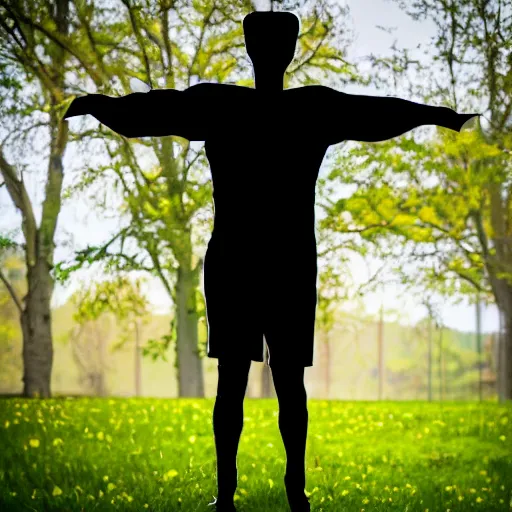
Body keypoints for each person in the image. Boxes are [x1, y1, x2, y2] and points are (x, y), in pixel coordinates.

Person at [64, 10, 479, 512]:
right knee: (277, 383)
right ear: (290, 49)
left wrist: (99, 106)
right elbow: (380, 113)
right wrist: (438, 115)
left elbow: (151, 113)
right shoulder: (306, 108)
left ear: (253, 48)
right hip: (280, 262)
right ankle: (275, 494)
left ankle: (243, 495)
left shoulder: (228, 106)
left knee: (245, 382)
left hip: (247, 261)